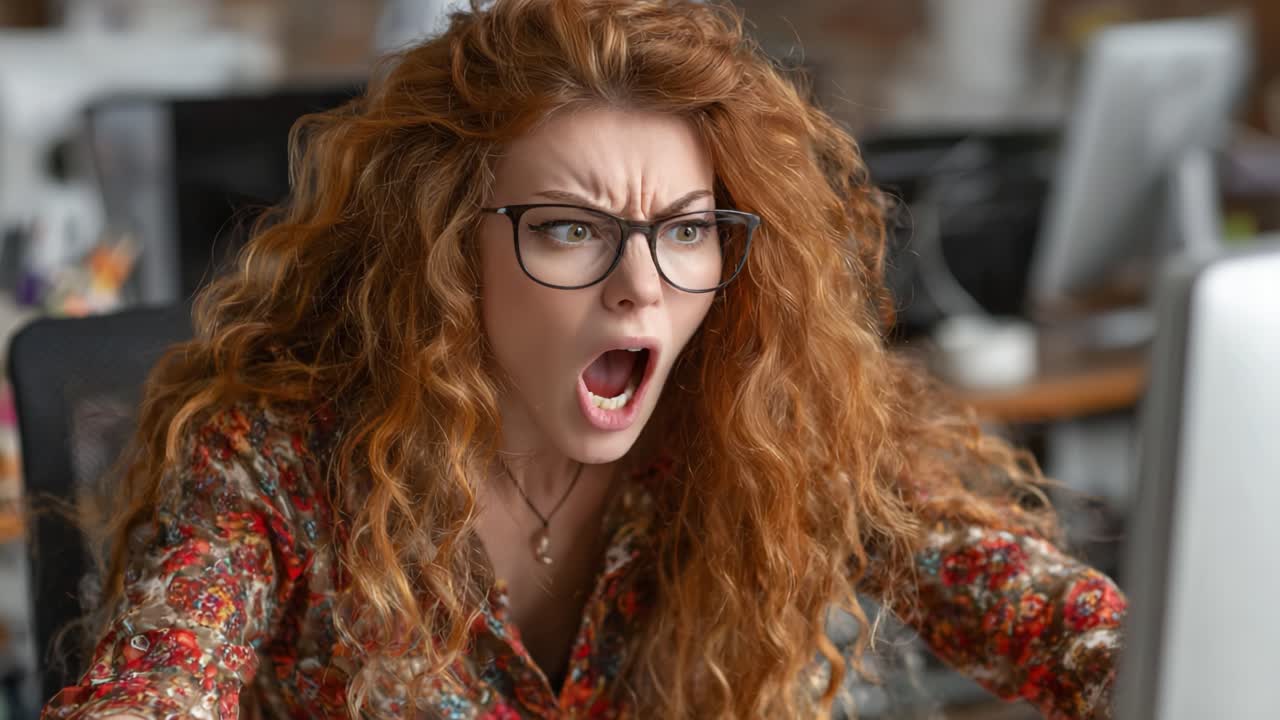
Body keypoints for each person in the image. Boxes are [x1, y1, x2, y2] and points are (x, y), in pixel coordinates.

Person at [42, 0, 1126, 717]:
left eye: (688, 230)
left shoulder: (765, 420)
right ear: (447, 251)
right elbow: (152, 688)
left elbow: (1059, 626)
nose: (641, 285)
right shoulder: (275, 469)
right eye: (568, 229)